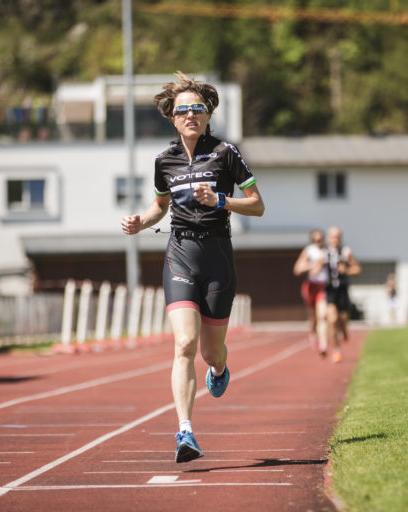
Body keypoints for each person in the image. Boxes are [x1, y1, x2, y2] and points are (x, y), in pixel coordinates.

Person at [121, 72, 265, 463]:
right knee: (183, 343)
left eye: (197, 109)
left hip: (218, 257)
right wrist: (140, 222)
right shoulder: (163, 160)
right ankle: (185, 432)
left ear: (207, 115)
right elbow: (159, 207)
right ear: (172, 117)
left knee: (210, 353)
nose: (190, 115)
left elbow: (257, 204)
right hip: (180, 254)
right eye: (183, 110)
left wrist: (221, 201)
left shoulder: (225, 153)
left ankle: (219, 369)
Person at [323, 226, 361, 363]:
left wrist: (346, 270)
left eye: (337, 237)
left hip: (342, 290)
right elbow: (313, 269)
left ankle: (344, 330)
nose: (334, 239)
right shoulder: (323, 253)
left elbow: (357, 269)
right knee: (332, 320)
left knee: (343, 319)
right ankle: (336, 350)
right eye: (332, 236)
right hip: (329, 290)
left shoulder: (346, 252)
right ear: (328, 238)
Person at [293, 229, 328, 357]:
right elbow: (297, 269)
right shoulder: (309, 250)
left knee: (322, 316)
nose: (317, 242)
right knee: (313, 317)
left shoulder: (327, 252)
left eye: (320, 239)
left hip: (322, 287)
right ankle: (313, 333)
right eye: (315, 240)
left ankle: (323, 345)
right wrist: (312, 264)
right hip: (310, 287)